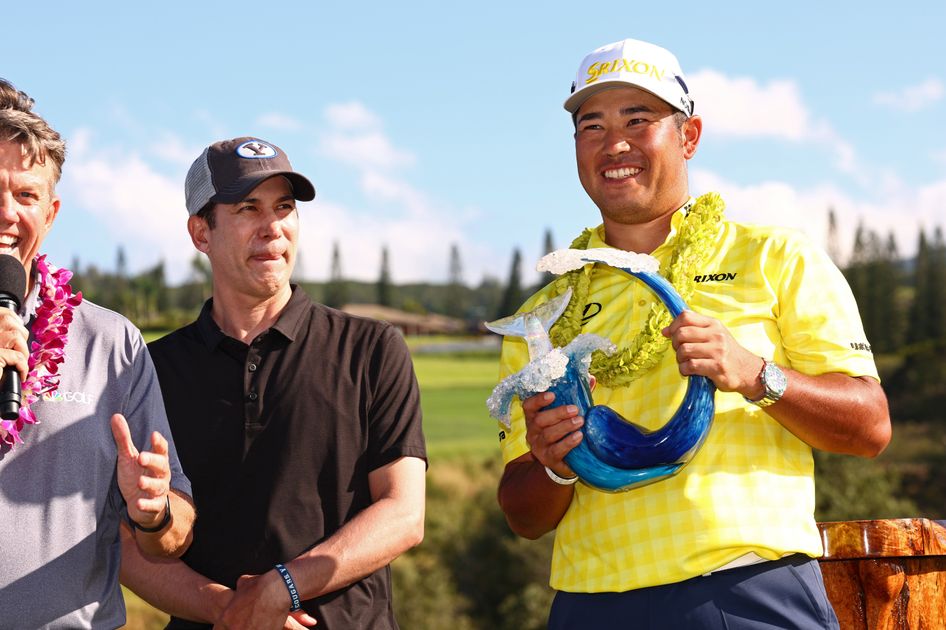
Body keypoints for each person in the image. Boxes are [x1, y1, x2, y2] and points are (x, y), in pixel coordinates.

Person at [495, 38, 891, 629]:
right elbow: (523, 516)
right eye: (591, 125)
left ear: (689, 136)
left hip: (749, 586)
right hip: (592, 604)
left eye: (639, 119)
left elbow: (870, 425)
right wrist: (555, 464)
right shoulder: (545, 313)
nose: (615, 144)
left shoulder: (776, 256)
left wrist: (754, 374)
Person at [120, 136, 427, 629]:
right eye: (248, 208)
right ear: (201, 232)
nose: (273, 228)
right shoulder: (150, 370)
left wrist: (281, 587)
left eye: (284, 208)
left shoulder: (371, 348)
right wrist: (231, 609)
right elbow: (127, 546)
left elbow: (404, 514)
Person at [0, 79, 195, 628]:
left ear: (53, 213)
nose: (7, 214)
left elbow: (171, 538)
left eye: (26, 195)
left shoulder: (113, 343)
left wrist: (154, 511)